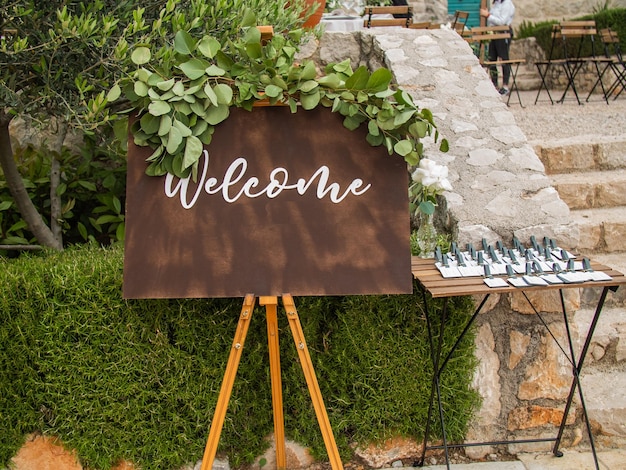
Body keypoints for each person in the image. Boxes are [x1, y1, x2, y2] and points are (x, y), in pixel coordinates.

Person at [480, 0, 516, 96]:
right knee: (492, 59)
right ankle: (494, 85)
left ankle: (505, 86)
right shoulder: (496, 3)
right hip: (494, 33)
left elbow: (502, 21)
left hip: (503, 33)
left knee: (504, 59)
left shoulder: (506, 3)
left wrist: (488, 15)